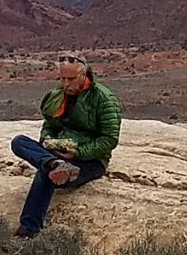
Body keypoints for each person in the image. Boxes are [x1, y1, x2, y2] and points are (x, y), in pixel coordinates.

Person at [11, 50, 121, 238]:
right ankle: (53, 163)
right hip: (58, 153)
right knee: (19, 142)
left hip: (89, 161)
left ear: (83, 74)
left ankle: (28, 231)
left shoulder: (103, 98)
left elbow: (109, 139)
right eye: (62, 79)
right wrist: (47, 139)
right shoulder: (58, 95)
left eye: (70, 79)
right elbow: (50, 125)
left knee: (47, 174)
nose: (66, 84)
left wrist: (78, 153)